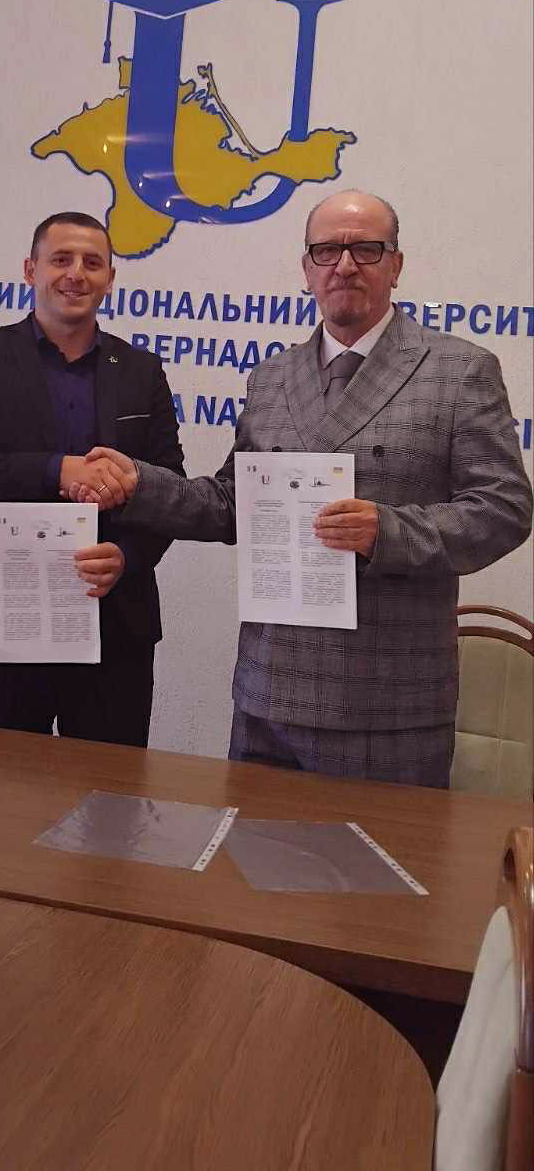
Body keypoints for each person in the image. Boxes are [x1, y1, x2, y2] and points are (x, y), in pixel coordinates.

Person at [69, 191, 532, 787]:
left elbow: (504, 508)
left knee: (376, 854)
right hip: (268, 691)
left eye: (366, 249)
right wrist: (142, 483)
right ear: (307, 268)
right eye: (327, 250)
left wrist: (388, 531)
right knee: (250, 847)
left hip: (388, 704)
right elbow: (233, 504)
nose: (345, 265)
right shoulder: (272, 376)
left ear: (396, 264)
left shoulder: (459, 371)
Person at [0, 211, 184, 744]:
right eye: (61, 259)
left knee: (108, 789)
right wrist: (57, 469)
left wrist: (128, 557)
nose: (76, 274)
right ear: (31, 270)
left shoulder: (142, 370)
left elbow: (171, 488)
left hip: (113, 618)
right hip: (4, 617)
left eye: (92, 263)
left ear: (110, 278)